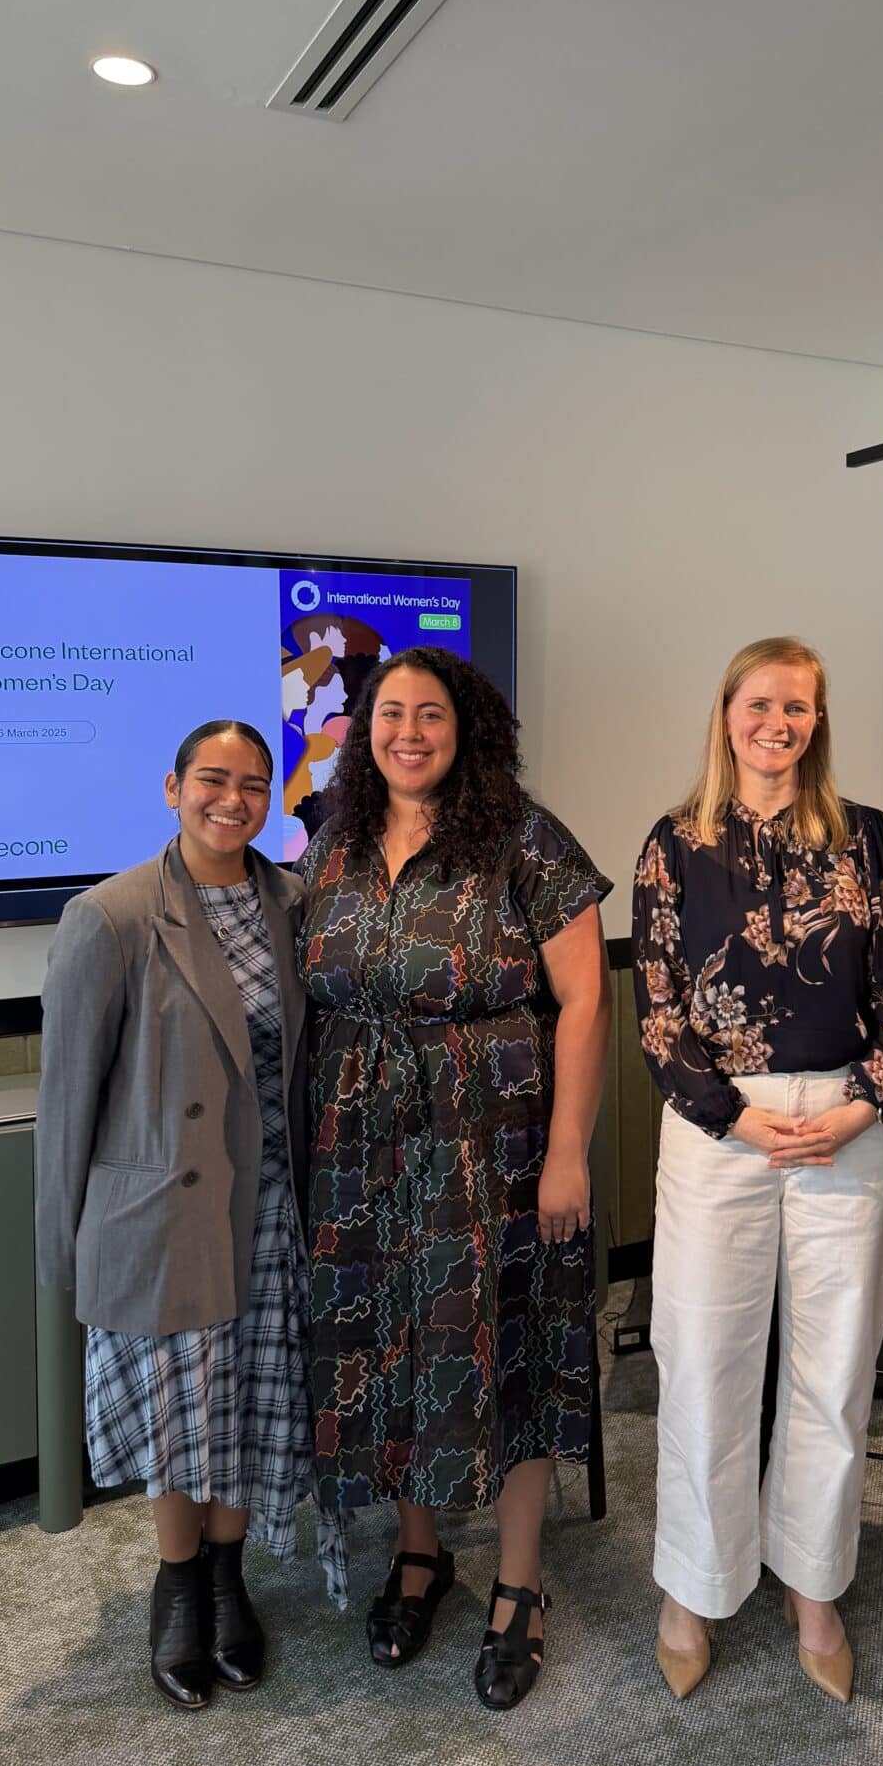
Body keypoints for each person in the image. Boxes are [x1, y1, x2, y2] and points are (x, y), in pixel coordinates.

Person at [300, 647, 612, 1710]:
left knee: (506, 1342)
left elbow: (586, 1000)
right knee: (391, 1345)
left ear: (466, 727)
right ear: (365, 730)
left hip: (495, 1142)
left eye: (431, 713)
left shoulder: (527, 839)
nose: (410, 732)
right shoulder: (333, 841)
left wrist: (569, 1150)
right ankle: (419, 1552)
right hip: (359, 1148)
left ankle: (519, 1585)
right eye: (391, 713)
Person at [632, 636, 883, 1705]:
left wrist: (862, 1106)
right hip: (720, 1132)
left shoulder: (868, 838)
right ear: (727, 714)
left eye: (797, 707)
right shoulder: (675, 843)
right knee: (704, 1362)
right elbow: (659, 1010)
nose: (777, 724)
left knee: (834, 1377)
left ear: (818, 721)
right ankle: (694, 1588)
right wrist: (735, 1118)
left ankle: (814, 1588)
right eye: (759, 704)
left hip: (849, 1123)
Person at [36, 720, 342, 1712]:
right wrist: (63, 1248)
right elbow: (67, 1101)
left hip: (271, 1203)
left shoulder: (293, 903)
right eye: (212, 779)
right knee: (181, 1411)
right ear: (173, 788)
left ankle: (226, 1577)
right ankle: (178, 1587)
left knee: (250, 1400)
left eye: (253, 785)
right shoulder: (111, 915)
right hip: (166, 1211)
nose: (233, 800)